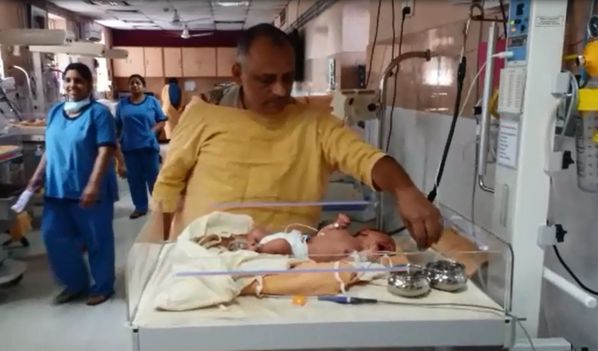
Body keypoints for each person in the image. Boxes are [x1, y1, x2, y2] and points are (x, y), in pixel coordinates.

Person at [150, 23, 442, 249]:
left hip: (285, 265)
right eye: (266, 79)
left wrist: (405, 190)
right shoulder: (203, 115)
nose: (280, 90)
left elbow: (366, 158)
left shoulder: (314, 125)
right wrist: (159, 251)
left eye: (287, 78)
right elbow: (168, 186)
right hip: (204, 260)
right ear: (238, 73)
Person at [27, 62, 118, 305]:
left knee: (97, 239)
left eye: (78, 80)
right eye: (68, 80)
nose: (72, 85)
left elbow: (106, 150)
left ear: (89, 85)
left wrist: (93, 184)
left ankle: (103, 285)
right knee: (52, 236)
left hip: (90, 190)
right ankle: (75, 283)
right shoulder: (55, 112)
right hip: (57, 188)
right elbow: (50, 149)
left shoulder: (99, 113)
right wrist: (37, 176)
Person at [243, 213, 397, 262]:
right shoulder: (345, 234)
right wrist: (337, 224)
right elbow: (322, 233)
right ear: (365, 232)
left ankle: (257, 249)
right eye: (388, 241)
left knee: (280, 245)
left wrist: (368, 256)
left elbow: (350, 261)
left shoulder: (359, 253)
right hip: (298, 239)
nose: (390, 247)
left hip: (298, 251)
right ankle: (248, 241)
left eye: (391, 250)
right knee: (259, 232)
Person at [115, 74, 167, 219]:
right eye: (131, 83)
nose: (134, 85)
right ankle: (140, 207)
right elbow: (117, 126)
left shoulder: (152, 102)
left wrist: (153, 131)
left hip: (148, 147)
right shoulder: (122, 105)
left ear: (143, 86)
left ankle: (158, 206)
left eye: (137, 83)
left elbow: (162, 120)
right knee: (134, 180)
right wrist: (118, 146)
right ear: (128, 86)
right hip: (130, 148)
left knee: (153, 179)